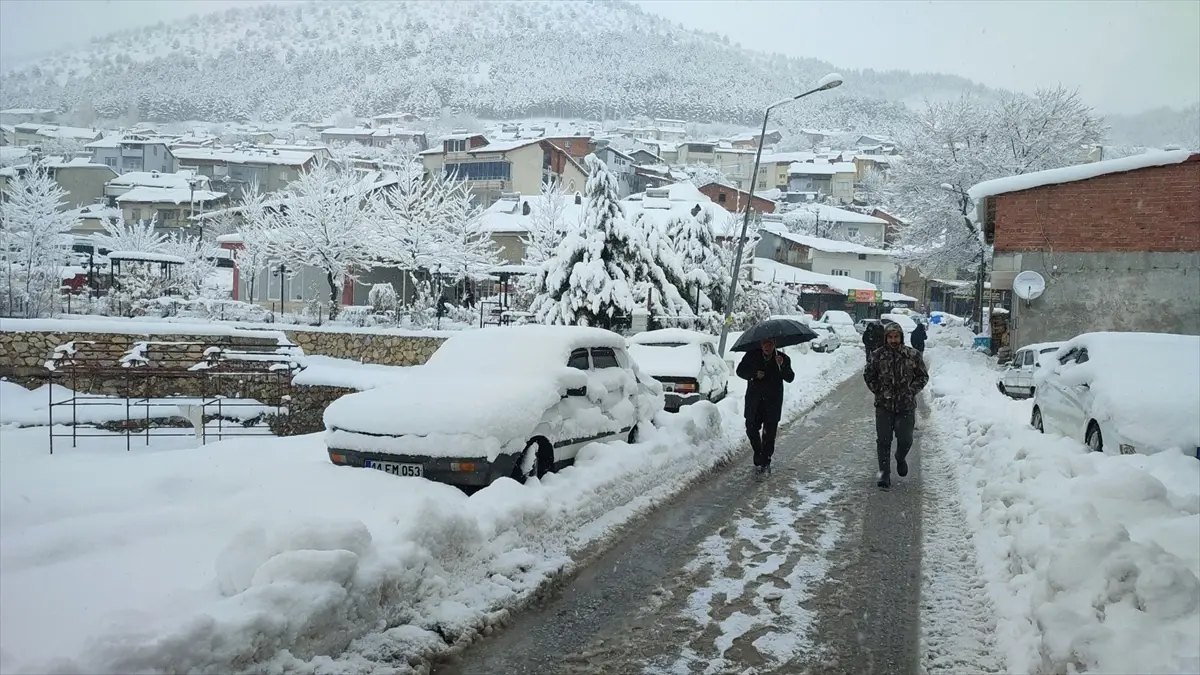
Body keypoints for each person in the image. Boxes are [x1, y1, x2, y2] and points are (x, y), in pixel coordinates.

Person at [863, 322, 929, 488]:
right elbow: (868, 375)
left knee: (905, 439)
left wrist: (911, 390)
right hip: (884, 406)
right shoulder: (877, 355)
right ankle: (884, 473)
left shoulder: (912, 355)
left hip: (905, 406)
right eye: (890, 337)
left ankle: (900, 457)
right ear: (886, 338)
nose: (893, 340)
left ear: (901, 337)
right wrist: (877, 390)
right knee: (883, 441)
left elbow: (923, 376)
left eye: (896, 337)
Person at [736, 338, 795, 475]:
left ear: (775, 344)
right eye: (764, 343)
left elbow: (790, 377)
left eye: (770, 343)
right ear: (760, 344)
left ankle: (766, 460)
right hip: (754, 401)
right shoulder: (751, 356)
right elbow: (740, 371)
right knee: (751, 429)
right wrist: (754, 375)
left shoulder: (782, 358)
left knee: (769, 435)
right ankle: (758, 452)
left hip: (772, 402)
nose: (766, 346)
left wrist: (782, 366)